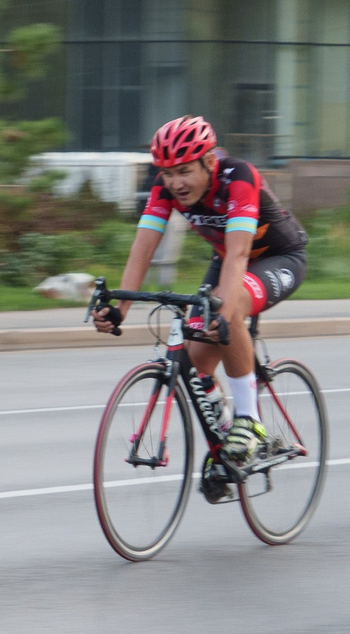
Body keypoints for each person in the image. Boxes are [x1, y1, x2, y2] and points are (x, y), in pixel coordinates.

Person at [94, 115, 308, 496]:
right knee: (196, 358)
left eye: (184, 171)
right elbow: (143, 246)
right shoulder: (165, 189)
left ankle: (249, 421)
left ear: (209, 162)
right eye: (167, 172)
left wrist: (225, 315)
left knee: (230, 306)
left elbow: (240, 252)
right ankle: (228, 447)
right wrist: (120, 308)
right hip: (227, 259)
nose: (175, 182)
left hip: (278, 258)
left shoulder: (239, 177)